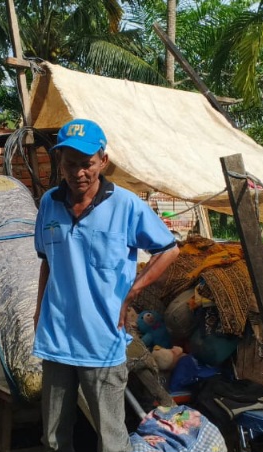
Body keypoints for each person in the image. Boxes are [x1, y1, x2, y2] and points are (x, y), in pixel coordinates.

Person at [33, 118, 180, 452]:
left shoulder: (126, 205)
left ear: (103, 161)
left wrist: (134, 290)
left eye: (87, 164)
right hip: (56, 337)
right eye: (70, 164)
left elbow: (169, 250)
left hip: (103, 339)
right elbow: (47, 262)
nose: (78, 173)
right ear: (61, 163)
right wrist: (38, 311)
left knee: (111, 439)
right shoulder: (49, 204)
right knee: (55, 438)